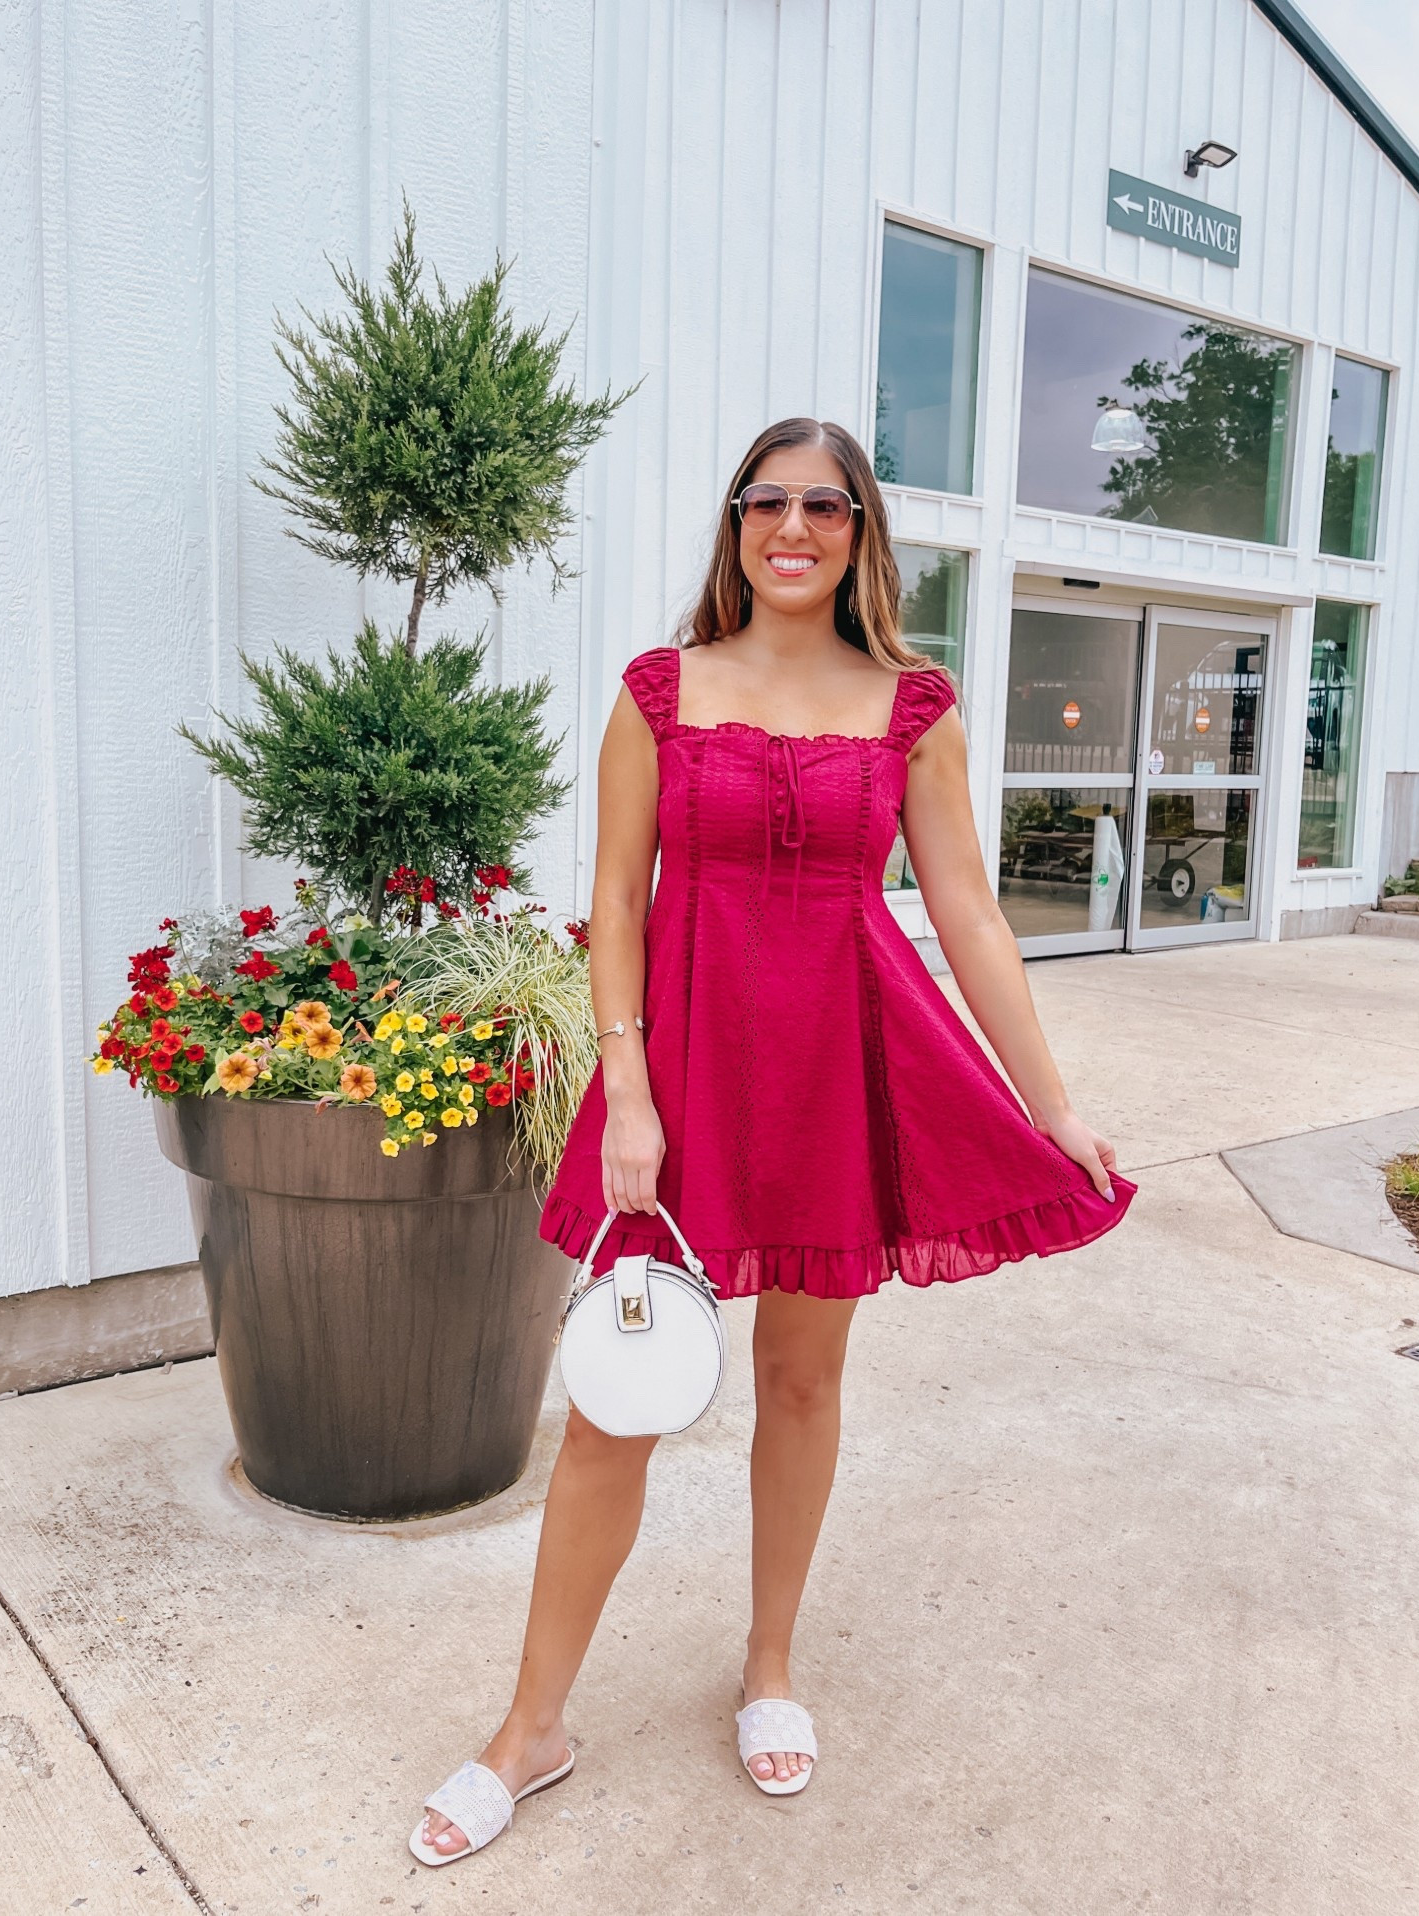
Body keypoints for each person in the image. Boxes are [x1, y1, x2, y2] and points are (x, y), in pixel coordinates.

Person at [408, 416, 1138, 1865]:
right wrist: (625, 1087)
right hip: (681, 1069)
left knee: (802, 1386)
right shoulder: (662, 693)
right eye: (767, 503)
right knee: (622, 1397)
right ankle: (529, 1729)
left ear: (862, 531)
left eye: (825, 505)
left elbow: (973, 918)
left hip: (840, 1068)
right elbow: (617, 902)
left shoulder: (914, 705)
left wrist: (1054, 1104)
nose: (792, 528)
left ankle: (770, 1667)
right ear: (737, 523)